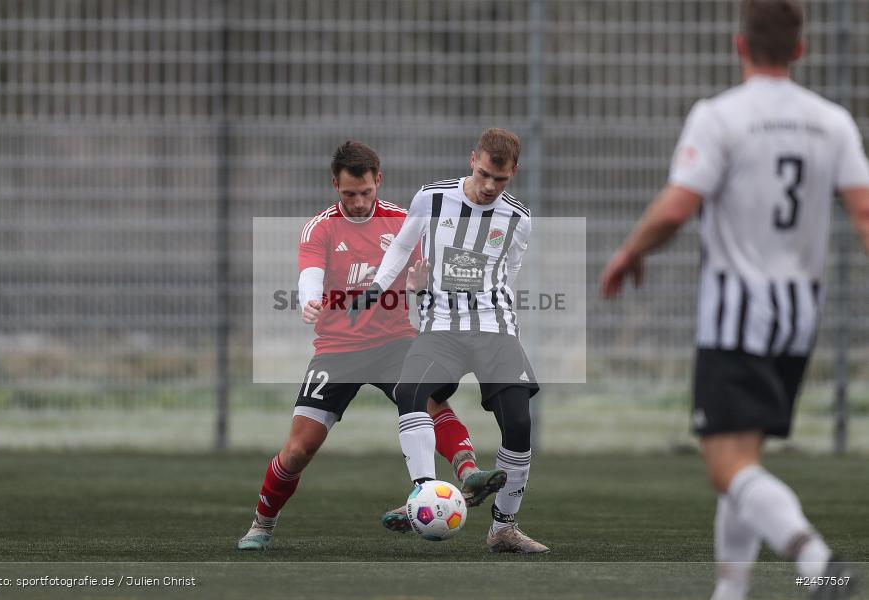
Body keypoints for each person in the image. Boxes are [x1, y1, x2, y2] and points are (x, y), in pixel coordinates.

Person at [600, 1, 869, 597]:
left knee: (726, 462)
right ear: (800, 50)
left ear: (739, 44)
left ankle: (815, 560)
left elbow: (676, 207)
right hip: (799, 317)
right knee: (743, 454)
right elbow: (865, 211)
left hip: (736, 313)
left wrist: (630, 253)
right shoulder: (832, 121)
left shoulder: (720, 116)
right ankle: (730, 591)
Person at [237, 141, 506, 550]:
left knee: (429, 399)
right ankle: (262, 524)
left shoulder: (402, 220)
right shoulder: (321, 227)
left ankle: (467, 473)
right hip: (337, 350)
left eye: (366, 192)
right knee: (298, 450)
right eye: (349, 194)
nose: (360, 202)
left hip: (395, 342)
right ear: (335, 186)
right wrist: (310, 297)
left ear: (378, 181)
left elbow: (429, 270)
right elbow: (309, 272)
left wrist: (421, 282)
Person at [353, 128, 549, 553]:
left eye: (500, 180)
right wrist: (379, 288)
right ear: (471, 160)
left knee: (518, 424)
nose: (488, 187)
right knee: (410, 392)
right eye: (482, 175)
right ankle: (422, 494)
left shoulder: (518, 219)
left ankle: (503, 528)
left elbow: (508, 275)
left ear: (513, 172)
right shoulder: (431, 198)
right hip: (440, 326)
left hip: (494, 328)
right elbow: (402, 247)